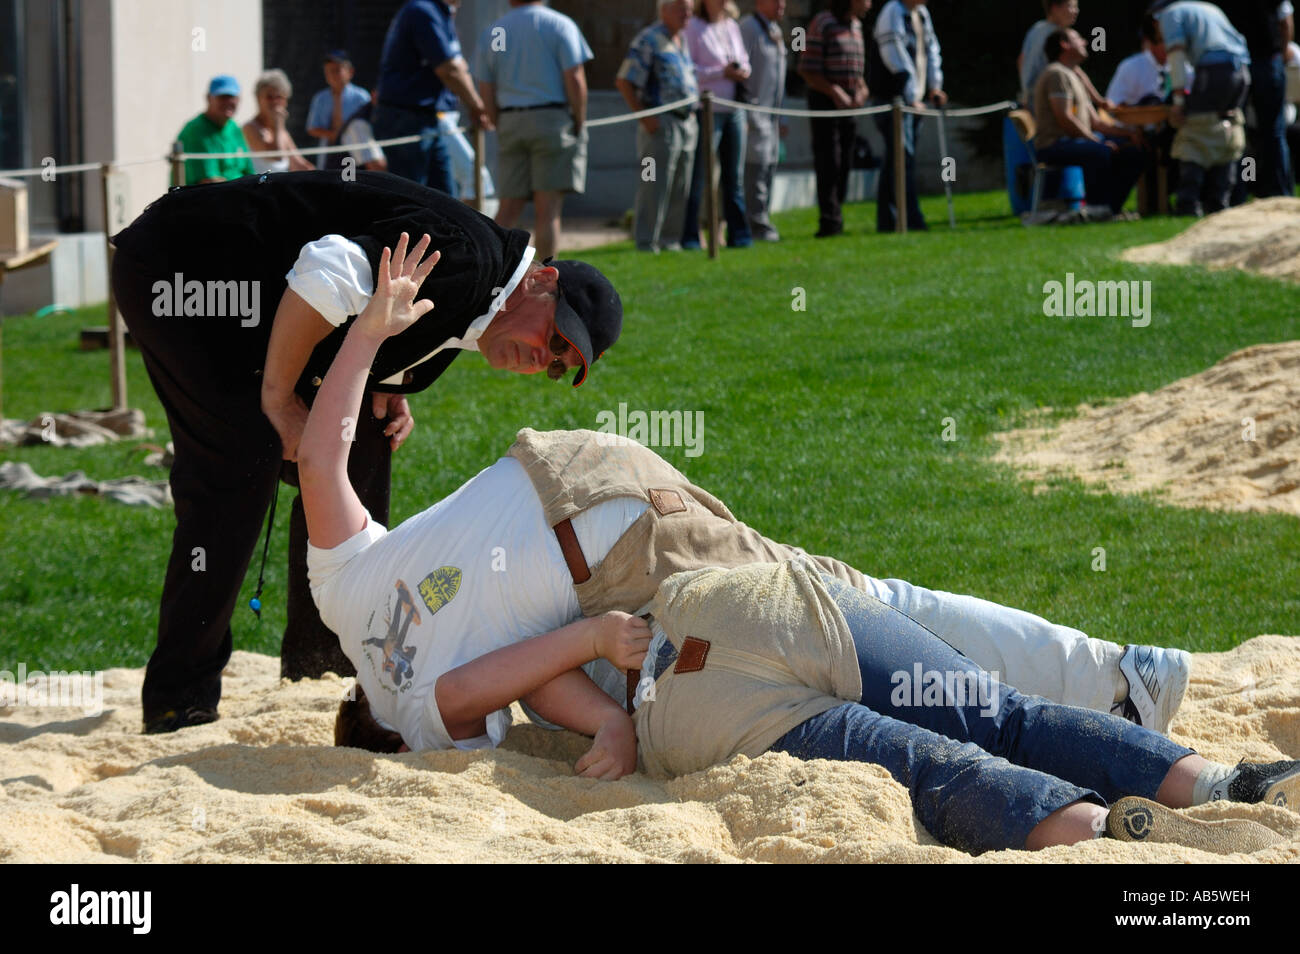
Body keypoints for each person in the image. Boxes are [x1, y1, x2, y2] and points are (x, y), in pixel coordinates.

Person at [305, 278, 1292, 856]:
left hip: (630, 570)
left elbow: (543, 669)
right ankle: (1204, 771)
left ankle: (1094, 808)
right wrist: (371, 333)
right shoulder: (344, 596)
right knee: (907, 641)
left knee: (929, 748)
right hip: (578, 468)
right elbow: (319, 453)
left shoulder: (429, 710)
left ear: (390, 746)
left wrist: (608, 718)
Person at [107, 170, 623, 734]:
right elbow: (325, 273)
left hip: (255, 302)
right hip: (187, 266)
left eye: (557, 366)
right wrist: (280, 401)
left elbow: (384, 315)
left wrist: (388, 383)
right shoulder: (470, 263)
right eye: (553, 339)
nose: (540, 361)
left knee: (361, 437)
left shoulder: (485, 302)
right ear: (541, 281)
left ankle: (319, 664)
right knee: (240, 458)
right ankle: (178, 698)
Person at [476, 0, 593, 261]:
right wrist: (579, 119)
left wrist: (498, 121)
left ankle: (491, 271)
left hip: (510, 120)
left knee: (508, 207)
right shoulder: (559, 24)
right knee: (548, 210)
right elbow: (574, 77)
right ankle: (544, 278)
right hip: (552, 119)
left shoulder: (495, 29)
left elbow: (486, 85)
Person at [372, 0, 493, 194]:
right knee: (411, 199)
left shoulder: (440, 13)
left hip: (427, 119)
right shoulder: (422, 11)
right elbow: (450, 69)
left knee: (444, 200)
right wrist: (478, 106)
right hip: (406, 119)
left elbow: (457, 66)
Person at [1148, 2, 1252, 216]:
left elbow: (1175, 56)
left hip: (1214, 71)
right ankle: (1220, 202)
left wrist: (1178, 101)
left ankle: (1189, 203)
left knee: (1195, 130)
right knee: (1227, 127)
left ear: (1155, 18)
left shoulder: (1169, 14)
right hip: (1241, 71)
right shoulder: (1208, 8)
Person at [1033, 28, 1147, 217]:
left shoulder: (1072, 75)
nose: (1086, 42)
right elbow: (1065, 118)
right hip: (1054, 145)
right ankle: (1096, 209)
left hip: (1075, 142)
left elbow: (1096, 123)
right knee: (1101, 152)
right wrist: (1096, 141)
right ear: (1064, 44)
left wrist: (1129, 135)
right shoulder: (1056, 74)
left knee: (1134, 152)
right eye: (1078, 38)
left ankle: (1110, 209)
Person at [616, 0, 701, 253]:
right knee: (655, 185)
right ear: (664, 10)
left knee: (680, 185)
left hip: (687, 123)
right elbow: (624, 80)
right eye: (681, 8)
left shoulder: (682, 40)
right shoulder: (648, 39)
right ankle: (646, 242)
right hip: (660, 124)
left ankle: (670, 240)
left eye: (689, 8)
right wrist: (644, 116)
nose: (687, 13)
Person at [869, 0, 946, 232]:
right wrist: (910, 94)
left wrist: (935, 86)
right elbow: (895, 56)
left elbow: (931, 50)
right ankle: (909, 219)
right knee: (902, 159)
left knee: (897, 160)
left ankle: (889, 220)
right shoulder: (893, 12)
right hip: (895, 101)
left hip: (915, 102)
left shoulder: (921, 14)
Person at [681, 0, 753, 249]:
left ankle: (739, 235)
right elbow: (689, 69)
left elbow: (744, 59)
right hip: (707, 111)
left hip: (734, 110)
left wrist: (741, 70)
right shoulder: (693, 27)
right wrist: (721, 73)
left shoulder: (731, 25)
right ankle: (691, 235)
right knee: (699, 177)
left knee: (734, 177)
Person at [798, 0, 871, 238]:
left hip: (849, 105)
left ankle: (836, 214)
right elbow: (806, 68)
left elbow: (858, 73)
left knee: (846, 162)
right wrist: (834, 92)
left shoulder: (857, 27)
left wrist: (861, 90)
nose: (870, 4)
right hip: (825, 102)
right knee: (829, 160)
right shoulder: (823, 23)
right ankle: (829, 222)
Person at [1216, 0, 1295, 197]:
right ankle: (1278, 191)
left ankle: (1242, 191)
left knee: (1244, 134)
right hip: (1267, 61)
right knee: (1273, 133)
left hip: (1238, 63)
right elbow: (1285, 20)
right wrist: (1282, 52)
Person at [740, 0, 789, 242]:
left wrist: (784, 114)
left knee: (769, 166)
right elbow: (741, 71)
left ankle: (762, 219)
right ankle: (755, 224)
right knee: (755, 169)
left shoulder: (775, 30)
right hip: (754, 113)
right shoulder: (748, 28)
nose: (782, 4)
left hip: (772, 114)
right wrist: (747, 114)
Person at [175, 75, 255, 185]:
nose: (228, 102)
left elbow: (249, 171)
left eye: (232, 97)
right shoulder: (196, 131)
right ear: (208, 98)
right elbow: (209, 183)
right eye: (222, 97)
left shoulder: (234, 127)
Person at [305, 51, 372, 171]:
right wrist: (333, 135)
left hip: (356, 151)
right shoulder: (320, 98)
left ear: (350, 72)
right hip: (329, 151)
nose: (332, 75)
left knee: (355, 181)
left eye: (336, 70)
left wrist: (347, 136)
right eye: (328, 71)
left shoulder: (361, 97)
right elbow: (312, 128)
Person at [242, 69, 314, 175]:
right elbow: (277, 156)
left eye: (279, 97)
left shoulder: (281, 131)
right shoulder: (249, 128)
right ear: (258, 98)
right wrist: (277, 124)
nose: (275, 102)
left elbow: (299, 165)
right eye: (269, 97)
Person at [1106, 16, 1173, 105]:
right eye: (1163, 40)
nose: (1171, 45)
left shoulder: (1184, 67)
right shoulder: (1131, 66)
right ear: (1150, 42)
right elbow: (1113, 103)